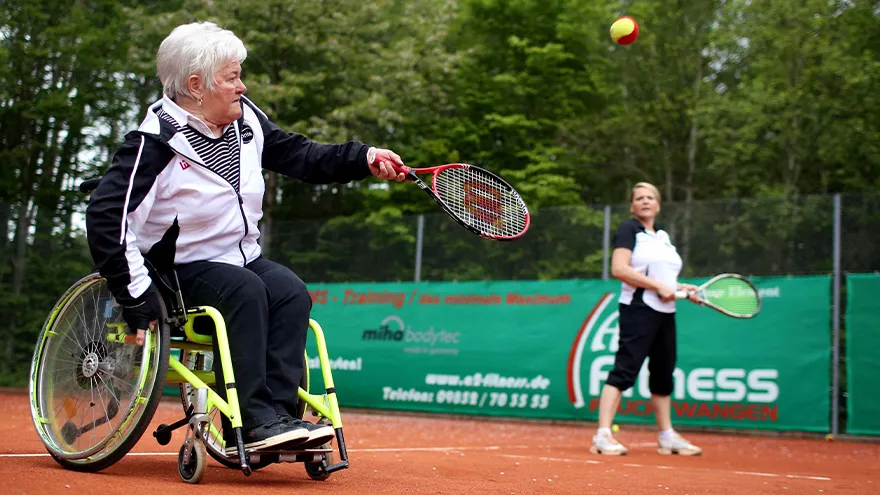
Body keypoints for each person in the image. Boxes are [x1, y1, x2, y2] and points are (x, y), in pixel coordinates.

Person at [85, 21, 406, 452]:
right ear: (196, 85)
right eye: (232, 77)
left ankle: (282, 417)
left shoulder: (245, 120)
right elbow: (106, 215)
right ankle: (254, 422)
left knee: (291, 290)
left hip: (239, 257)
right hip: (174, 268)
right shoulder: (154, 143)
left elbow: (299, 155)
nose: (242, 85)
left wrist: (363, 158)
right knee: (245, 290)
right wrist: (134, 294)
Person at [590, 182, 703, 456]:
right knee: (625, 369)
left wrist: (681, 288)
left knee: (663, 374)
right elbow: (619, 269)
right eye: (639, 198)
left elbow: (665, 279)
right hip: (638, 310)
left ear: (658, 204)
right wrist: (657, 286)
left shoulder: (663, 237)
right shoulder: (629, 230)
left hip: (666, 313)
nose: (644, 201)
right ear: (632, 206)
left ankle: (666, 435)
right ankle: (603, 435)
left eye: (650, 197)